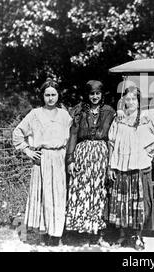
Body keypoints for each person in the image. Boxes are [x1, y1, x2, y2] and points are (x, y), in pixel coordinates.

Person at [104, 86, 154, 250]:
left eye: (134, 99)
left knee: (139, 204)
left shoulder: (147, 117)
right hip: (120, 166)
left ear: (139, 101)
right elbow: (111, 142)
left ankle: (138, 238)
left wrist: (151, 149)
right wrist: (110, 166)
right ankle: (121, 236)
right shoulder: (118, 118)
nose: (130, 102)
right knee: (121, 203)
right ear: (123, 101)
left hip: (140, 165)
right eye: (128, 99)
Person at [13, 78, 72, 246]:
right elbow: (18, 133)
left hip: (59, 158)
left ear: (58, 95)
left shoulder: (64, 115)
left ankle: (56, 234)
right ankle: (44, 232)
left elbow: (71, 139)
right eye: (47, 95)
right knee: (44, 195)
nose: (51, 98)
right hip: (42, 159)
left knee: (58, 196)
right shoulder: (35, 114)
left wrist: (69, 159)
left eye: (54, 94)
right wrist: (28, 150)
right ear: (42, 96)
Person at [65, 80, 115, 244]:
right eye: (92, 94)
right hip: (83, 155)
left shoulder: (109, 112)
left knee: (99, 192)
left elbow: (112, 138)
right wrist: (70, 159)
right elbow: (73, 135)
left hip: (101, 156)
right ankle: (81, 231)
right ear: (87, 95)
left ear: (102, 94)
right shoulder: (79, 111)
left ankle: (97, 232)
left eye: (97, 93)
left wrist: (110, 164)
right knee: (82, 191)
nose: (95, 97)